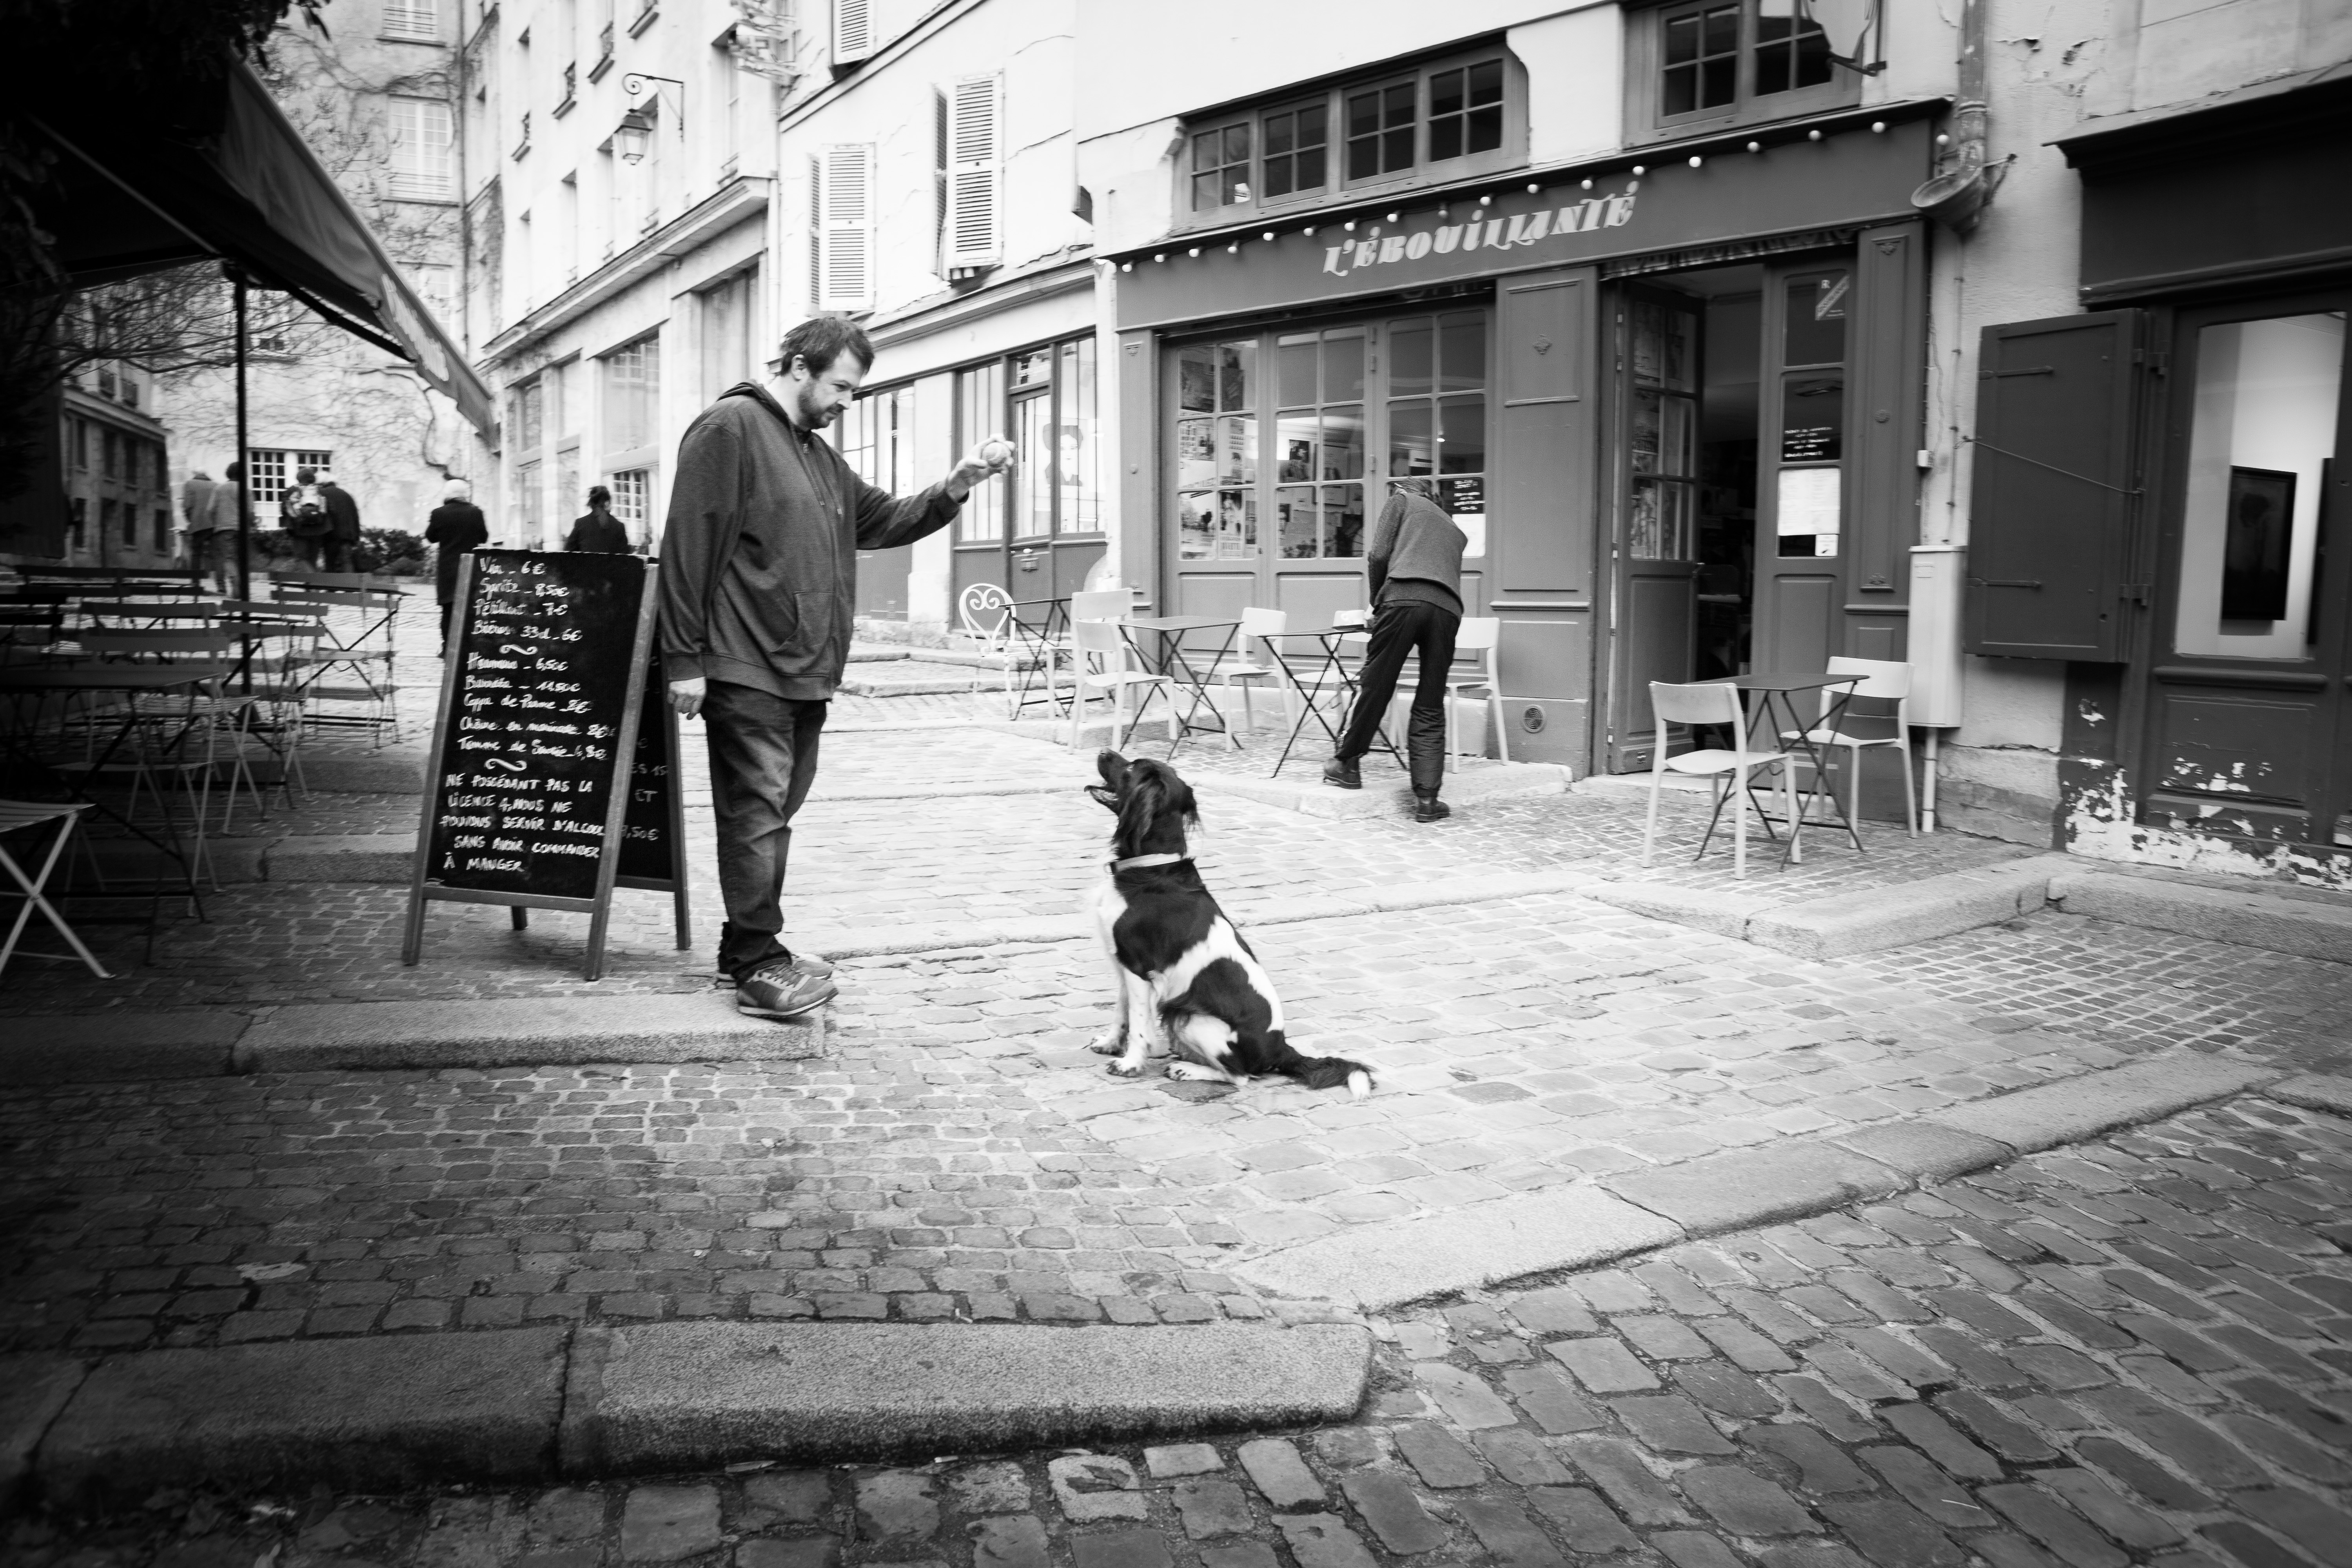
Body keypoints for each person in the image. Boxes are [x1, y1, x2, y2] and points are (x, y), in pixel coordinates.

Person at [660, 316, 1008, 1022]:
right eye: (842, 387)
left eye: (855, 390)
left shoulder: (818, 456)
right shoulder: (730, 429)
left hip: (806, 669)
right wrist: (684, 658)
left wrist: (956, 485)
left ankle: (744, 946)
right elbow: (687, 545)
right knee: (756, 818)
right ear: (798, 367)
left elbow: (884, 520)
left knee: (773, 818)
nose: (848, 401)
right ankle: (757, 963)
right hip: (747, 663)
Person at [1323, 476, 1466, 823]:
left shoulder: (1402, 501)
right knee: (1430, 701)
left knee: (1377, 684)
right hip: (1447, 611)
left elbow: (1378, 554)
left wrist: (1377, 602)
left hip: (1403, 598)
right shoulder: (1453, 527)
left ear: (1408, 489)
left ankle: (1347, 764)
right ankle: (1428, 800)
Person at [424, 479, 489, 650]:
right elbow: (484, 537)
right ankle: (467, 648)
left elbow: (431, 537)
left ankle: (448, 647)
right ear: (465, 494)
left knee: (448, 610)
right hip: (471, 567)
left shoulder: (439, 513)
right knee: (470, 609)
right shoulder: (476, 513)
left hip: (448, 569)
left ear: (448, 494)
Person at [202, 459, 248, 594]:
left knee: (229, 558)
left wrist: (217, 523)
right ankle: (240, 587)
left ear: (229, 473)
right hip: (242, 529)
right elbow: (250, 512)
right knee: (241, 558)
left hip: (224, 529)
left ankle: (235, 582)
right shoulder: (247, 490)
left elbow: (210, 510)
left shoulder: (219, 489)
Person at [281, 466, 334, 570]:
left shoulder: (292, 490)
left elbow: (284, 509)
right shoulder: (321, 491)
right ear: (313, 478)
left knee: (300, 558)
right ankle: (312, 579)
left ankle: (312, 578)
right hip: (318, 530)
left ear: (299, 478)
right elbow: (330, 509)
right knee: (313, 559)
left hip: (300, 530)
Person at [564, 485, 632, 553]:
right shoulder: (619, 527)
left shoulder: (581, 524)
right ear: (607, 503)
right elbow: (625, 556)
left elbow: (568, 552)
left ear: (591, 504)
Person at [319, 475, 362, 573]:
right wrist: (356, 537)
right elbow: (355, 516)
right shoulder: (346, 495)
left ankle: (331, 583)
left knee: (330, 563)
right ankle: (349, 583)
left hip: (330, 535)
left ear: (321, 483)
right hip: (347, 536)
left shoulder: (322, 494)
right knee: (347, 561)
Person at [180, 470, 215, 581]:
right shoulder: (216, 485)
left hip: (198, 524)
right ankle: (220, 584)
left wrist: (190, 519)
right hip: (214, 524)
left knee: (196, 553)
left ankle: (195, 582)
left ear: (196, 475)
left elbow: (187, 506)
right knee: (216, 554)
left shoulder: (190, 484)